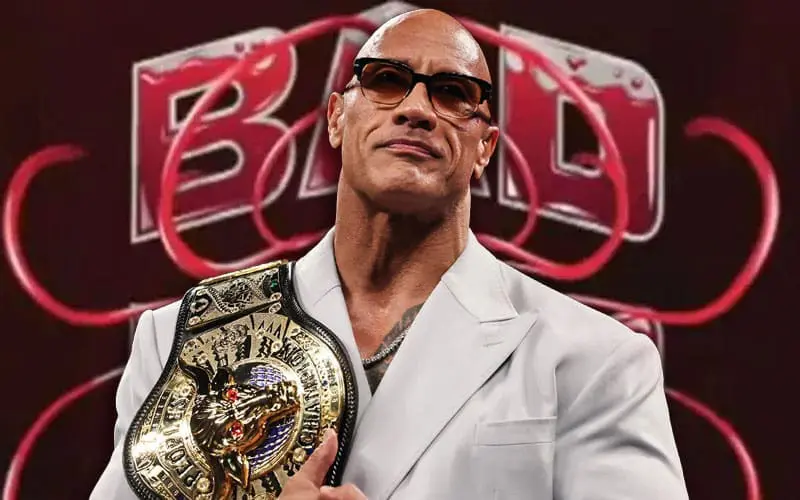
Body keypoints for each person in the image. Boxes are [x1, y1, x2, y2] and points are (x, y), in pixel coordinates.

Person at [91, 8, 689, 500]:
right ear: (335, 118)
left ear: (484, 149)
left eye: (453, 94)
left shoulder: (595, 360)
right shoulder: (185, 338)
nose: (416, 109)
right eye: (384, 81)